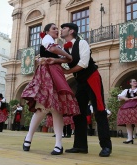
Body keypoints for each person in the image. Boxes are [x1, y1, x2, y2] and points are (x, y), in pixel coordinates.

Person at [21, 23, 80, 155]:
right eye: (54, 29)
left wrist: (61, 59)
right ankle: (29, 137)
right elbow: (55, 51)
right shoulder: (47, 39)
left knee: (57, 108)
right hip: (46, 72)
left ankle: (59, 144)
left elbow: (64, 59)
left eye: (57, 29)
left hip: (56, 73)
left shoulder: (57, 45)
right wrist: (68, 56)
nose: (57, 31)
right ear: (47, 31)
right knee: (42, 107)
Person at [59, 23, 112, 157]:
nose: (61, 30)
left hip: (92, 77)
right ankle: (80, 146)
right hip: (81, 81)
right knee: (78, 113)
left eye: (63, 28)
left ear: (71, 31)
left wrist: (68, 71)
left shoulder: (82, 43)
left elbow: (84, 63)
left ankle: (106, 146)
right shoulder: (64, 49)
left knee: (100, 110)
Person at [117, 78, 137, 144]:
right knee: (128, 122)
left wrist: (134, 98)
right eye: (134, 81)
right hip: (128, 106)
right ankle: (129, 138)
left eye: (136, 81)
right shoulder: (127, 90)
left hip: (136, 105)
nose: (135, 82)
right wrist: (125, 98)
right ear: (130, 83)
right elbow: (120, 96)